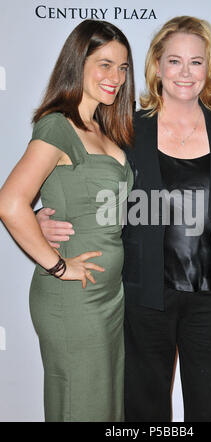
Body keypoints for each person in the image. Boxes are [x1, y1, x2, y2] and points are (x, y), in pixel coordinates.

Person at [37, 16, 211, 422]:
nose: (185, 72)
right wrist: (41, 215)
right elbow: (90, 183)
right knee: (143, 407)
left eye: (196, 62)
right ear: (157, 66)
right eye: (174, 61)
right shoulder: (126, 128)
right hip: (143, 295)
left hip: (210, 299)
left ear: (208, 68)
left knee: (210, 406)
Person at [0, 19, 134, 422]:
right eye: (104, 64)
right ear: (78, 63)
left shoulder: (105, 126)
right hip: (74, 298)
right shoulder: (58, 126)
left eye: (123, 67)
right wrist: (58, 266)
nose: (116, 77)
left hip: (109, 295)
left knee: (104, 407)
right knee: (82, 406)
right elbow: (10, 203)